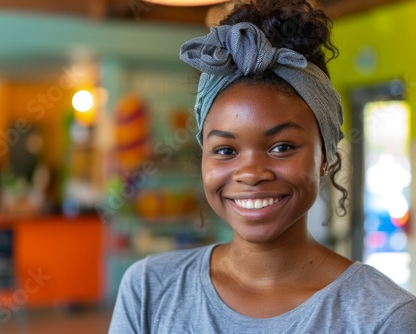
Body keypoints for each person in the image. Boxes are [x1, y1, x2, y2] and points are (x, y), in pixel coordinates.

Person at [108, 1, 416, 333]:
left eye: (282, 147)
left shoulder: (384, 316)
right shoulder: (149, 290)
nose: (252, 173)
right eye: (226, 150)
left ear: (325, 154)